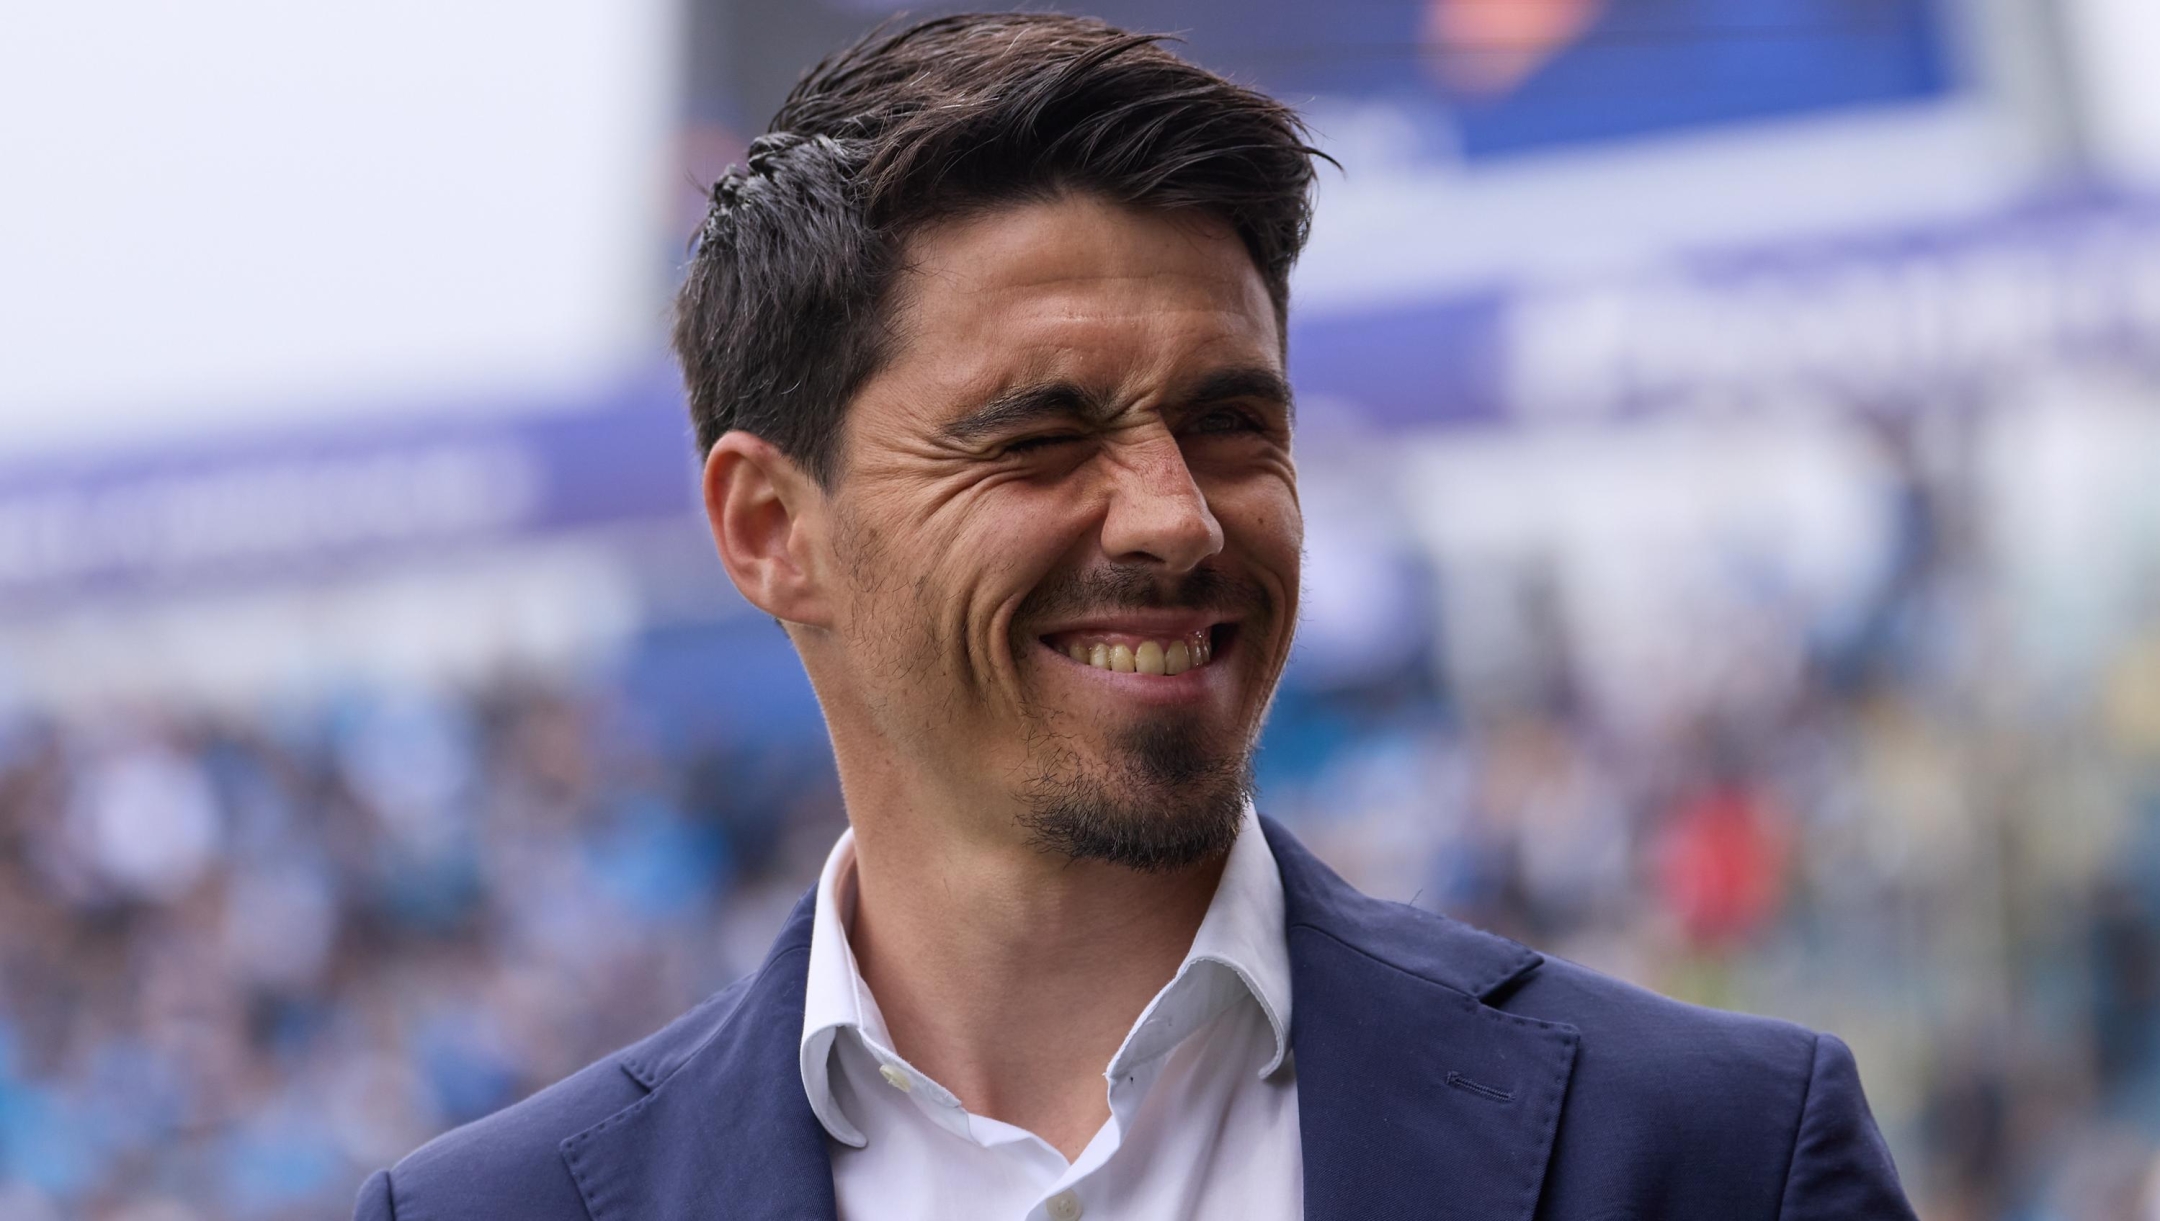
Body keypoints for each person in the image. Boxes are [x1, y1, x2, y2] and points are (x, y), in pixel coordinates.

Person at [354, 13, 1916, 1220]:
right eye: (1039, 438)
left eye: (1233, 422)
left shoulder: (1718, 1153)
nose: (1177, 515)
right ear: (773, 529)